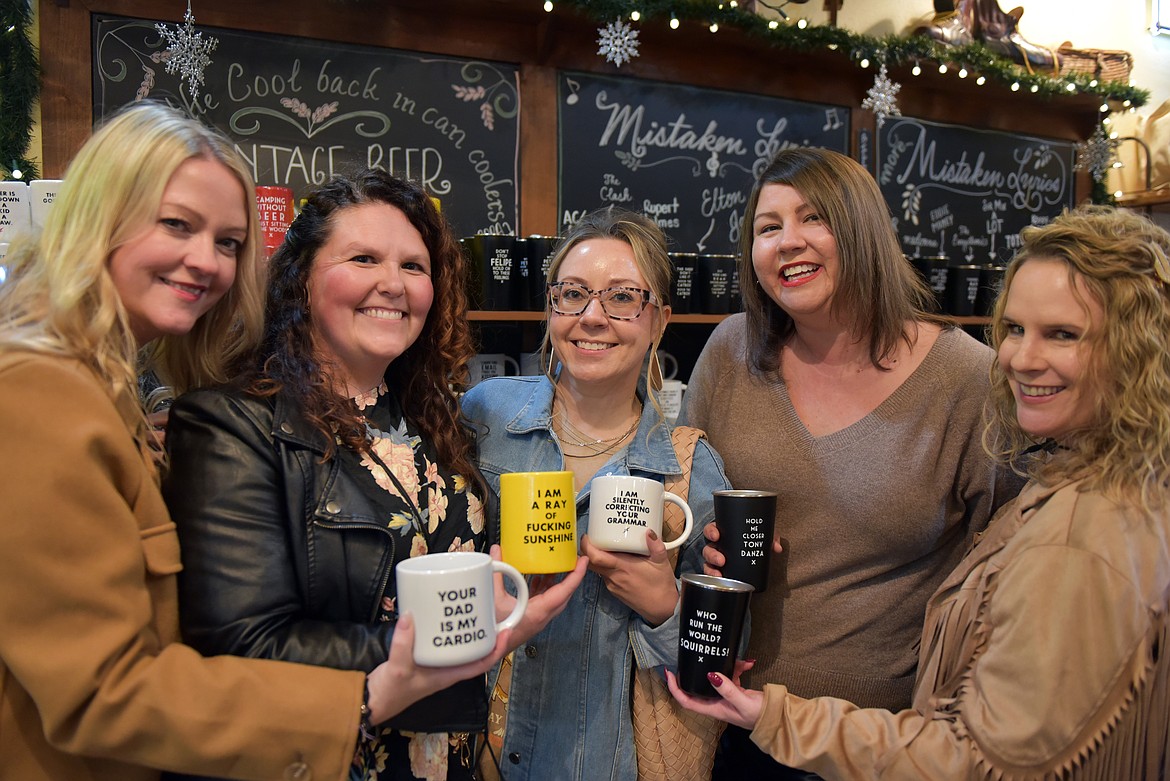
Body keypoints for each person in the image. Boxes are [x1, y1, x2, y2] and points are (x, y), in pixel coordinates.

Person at [0, 102, 512, 781]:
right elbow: (105, 688)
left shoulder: (109, 390)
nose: (204, 261)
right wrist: (379, 687)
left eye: (229, 243)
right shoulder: (38, 389)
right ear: (99, 216)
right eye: (177, 225)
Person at [669, 204, 1170, 779]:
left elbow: (979, 759)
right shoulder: (1096, 485)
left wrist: (777, 717)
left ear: (1139, 348)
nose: (1021, 359)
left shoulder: (1080, 536)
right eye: (1013, 329)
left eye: (1063, 334)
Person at [161, 168, 585, 781]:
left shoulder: (438, 422)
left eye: (414, 267)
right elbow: (240, 646)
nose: (394, 284)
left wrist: (504, 622)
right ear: (301, 278)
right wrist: (442, 641)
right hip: (324, 758)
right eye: (363, 258)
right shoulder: (230, 424)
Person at [679, 147, 1023, 778]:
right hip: (733, 721)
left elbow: (1008, 566)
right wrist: (701, 542)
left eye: (814, 219)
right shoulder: (731, 349)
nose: (787, 242)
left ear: (863, 229)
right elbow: (681, 487)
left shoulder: (968, 379)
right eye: (767, 227)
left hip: (889, 743)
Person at [460, 206, 733, 780]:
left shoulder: (688, 469)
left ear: (658, 320)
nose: (592, 317)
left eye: (622, 297)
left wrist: (664, 608)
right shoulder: (484, 415)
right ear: (551, 307)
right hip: (469, 755)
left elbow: (720, 667)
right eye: (574, 293)